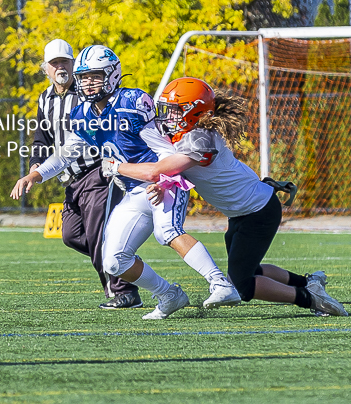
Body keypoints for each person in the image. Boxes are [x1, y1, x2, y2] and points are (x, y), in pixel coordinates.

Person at [12, 45, 240, 320]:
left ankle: (220, 283)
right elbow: (67, 154)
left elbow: (165, 150)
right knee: (113, 261)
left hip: (161, 182)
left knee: (166, 231)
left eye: (95, 76)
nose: (88, 82)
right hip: (132, 190)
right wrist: (36, 174)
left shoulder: (132, 102)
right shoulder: (84, 113)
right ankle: (169, 294)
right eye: (84, 77)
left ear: (112, 74)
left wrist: (164, 181)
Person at [102, 77, 347, 317]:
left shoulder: (200, 137)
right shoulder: (186, 134)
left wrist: (116, 167)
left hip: (258, 211)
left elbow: (156, 170)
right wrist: (163, 185)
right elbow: (171, 173)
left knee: (243, 286)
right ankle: (308, 282)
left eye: (175, 110)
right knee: (245, 269)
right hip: (243, 211)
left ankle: (312, 299)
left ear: (194, 112)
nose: (168, 116)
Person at [30, 39, 142, 309]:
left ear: (73, 63)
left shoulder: (87, 94)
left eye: (65, 62)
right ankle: (123, 260)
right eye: (54, 63)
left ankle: (124, 290)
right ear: (45, 68)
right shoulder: (45, 99)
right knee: (71, 234)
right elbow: (41, 138)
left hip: (97, 173)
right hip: (70, 179)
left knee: (96, 234)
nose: (60, 67)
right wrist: (36, 165)